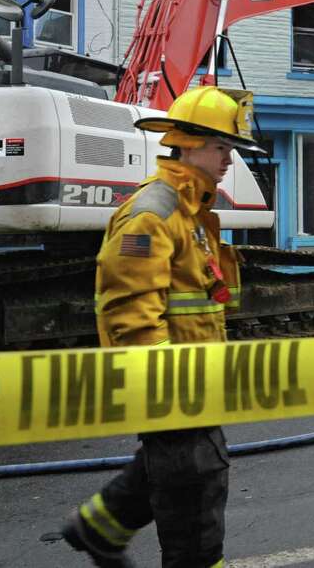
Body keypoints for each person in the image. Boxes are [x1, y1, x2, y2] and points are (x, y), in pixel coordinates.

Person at [60, 86, 263, 568]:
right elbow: (131, 313)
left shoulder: (191, 213)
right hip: (173, 382)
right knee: (195, 485)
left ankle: (96, 529)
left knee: (171, 466)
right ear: (188, 144)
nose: (228, 160)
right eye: (221, 148)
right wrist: (166, 384)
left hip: (193, 376)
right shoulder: (155, 214)